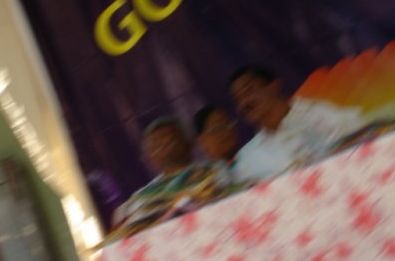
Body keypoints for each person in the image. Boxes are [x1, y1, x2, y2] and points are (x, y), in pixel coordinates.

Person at [229, 65, 365, 183]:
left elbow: (364, 151)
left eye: (249, 91)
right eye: (238, 99)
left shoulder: (324, 116)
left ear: (273, 86)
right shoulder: (247, 158)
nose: (244, 103)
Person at [109, 117, 230, 234]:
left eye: (171, 141)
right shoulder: (143, 195)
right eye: (158, 146)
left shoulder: (214, 169)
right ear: (150, 156)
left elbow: (220, 198)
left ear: (188, 143)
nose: (166, 149)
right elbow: (126, 219)